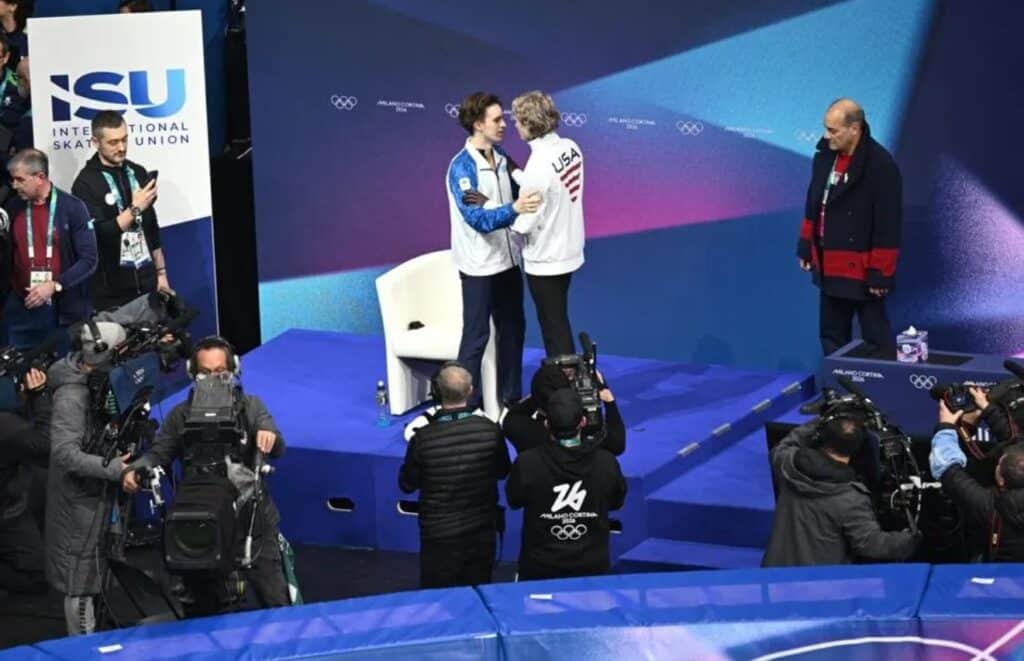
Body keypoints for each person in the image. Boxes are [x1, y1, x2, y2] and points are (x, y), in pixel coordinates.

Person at [123, 336, 291, 615]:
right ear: (192, 373)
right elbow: (158, 454)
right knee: (202, 611)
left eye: (221, 373)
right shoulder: (180, 416)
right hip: (201, 525)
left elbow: (278, 446)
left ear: (234, 370)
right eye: (205, 373)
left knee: (276, 604)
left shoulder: (250, 407)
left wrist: (269, 436)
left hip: (252, 523)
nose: (214, 379)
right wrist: (135, 470)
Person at [446, 91, 540, 407]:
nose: (504, 125)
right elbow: (478, 219)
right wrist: (514, 208)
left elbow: (526, 184)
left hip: (509, 262)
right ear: (477, 124)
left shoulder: (501, 157)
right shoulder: (461, 169)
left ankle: (510, 400)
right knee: (475, 340)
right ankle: (464, 408)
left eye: (504, 118)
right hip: (479, 268)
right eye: (497, 119)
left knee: (513, 332)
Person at [45, 321, 133, 635]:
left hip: (96, 497)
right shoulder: (71, 397)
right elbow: (64, 454)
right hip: (76, 505)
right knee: (80, 583)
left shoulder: (97, 381)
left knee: (96, 574)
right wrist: (113, 469)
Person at [796, 99, 902, 358]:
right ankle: (837, 391)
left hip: (863, 270)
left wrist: (881, 273)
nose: (826, 136)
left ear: (855, 129)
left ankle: (880, 393)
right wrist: (806, 247)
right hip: (828, 261)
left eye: (833, 131)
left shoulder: (881, 165)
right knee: (831, 334)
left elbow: (888, 222)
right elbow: (814, 205)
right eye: (825, 128)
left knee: (876, 338)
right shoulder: (823, 159)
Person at [398, 363, 510, 588]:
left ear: (437, 393)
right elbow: (502, 471)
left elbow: (407, 484)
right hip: (480, 532)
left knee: (440, 599)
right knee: (478, 595)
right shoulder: (490, 431)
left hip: (439, 536)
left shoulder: (423, 438)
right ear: (470, 391)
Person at [762, 416, 919, 566]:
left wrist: (819, 421)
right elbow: (870, 544)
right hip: (816, 586)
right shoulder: (850, 497)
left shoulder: (787, 463)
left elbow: (786, 444)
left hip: (773, 575)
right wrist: (907, 540)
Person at [506, 387, 626, 580]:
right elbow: (616, 502)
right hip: (591, 566)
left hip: (539, 567)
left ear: (546, 424)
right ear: (584, 422)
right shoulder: (606, 462)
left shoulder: (528, 463)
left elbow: (514, 500)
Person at [508, 90, 585, 357]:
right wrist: (517, 173)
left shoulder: (539, 165)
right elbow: (550, 188)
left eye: (518, 120)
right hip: (568, 250)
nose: (514, 125)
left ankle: (565, 391)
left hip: (546, 259)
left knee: (554, 327)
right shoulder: (570, 147)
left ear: (530, 123)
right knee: (558, 319)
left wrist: (502, 218)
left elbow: (526, 220)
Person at [71, 110, 169, 312]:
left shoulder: (137, 172)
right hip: (112, 292)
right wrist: (135, 209)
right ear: (96, 142)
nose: (122, 148)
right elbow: (101, 234)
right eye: (113, 142)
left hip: (147, 282)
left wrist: (161, 275)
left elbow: (151, 226)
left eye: (124, 140)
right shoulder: (85, 184)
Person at [3, 149, 97, 349]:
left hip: (61, 313)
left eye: (20, 180)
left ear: (40, 177)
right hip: (21, 310)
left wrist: (55, 285)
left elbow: (89, 260)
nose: (14, 185)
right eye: (13, 180)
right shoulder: (12, 208)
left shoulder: (72, 208)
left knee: (60, 373)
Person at [930, 400, 1024, 561]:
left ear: (1001, 482)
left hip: (1002, 580)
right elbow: (1016, 444)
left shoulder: (989, 508)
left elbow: (947, 468)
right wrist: (989, 409)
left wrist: (946, 426)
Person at [502, 362, 625, 456]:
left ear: (548, 424)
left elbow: (512, 416)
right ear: (582, 421)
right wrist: (610, 403)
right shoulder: (590, 435)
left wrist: (537, 396)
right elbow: (618, 445)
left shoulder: (519, 429)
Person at [0, 367, 50, 596]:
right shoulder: (6, 425)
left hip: (11, 506)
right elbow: (45, 446)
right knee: (35, 578)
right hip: (7, 513)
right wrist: (39, 396)